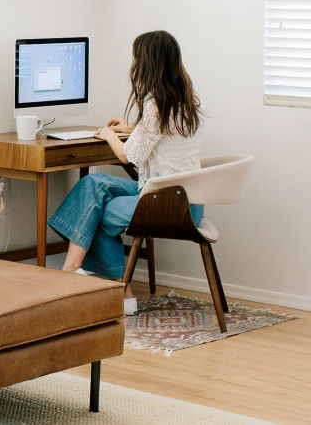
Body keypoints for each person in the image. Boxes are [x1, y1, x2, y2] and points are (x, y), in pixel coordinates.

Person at [47, 30, 203, 314]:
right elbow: (162, 135)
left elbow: (129, 156)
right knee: (93, 185)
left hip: (167, 205)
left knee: (93, 213)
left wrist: (108, 134)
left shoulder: (155, 104)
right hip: (190, 202)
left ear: (146, 63)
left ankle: (105, 283)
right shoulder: (183, 98)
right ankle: (91, 276)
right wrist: (132, 127)